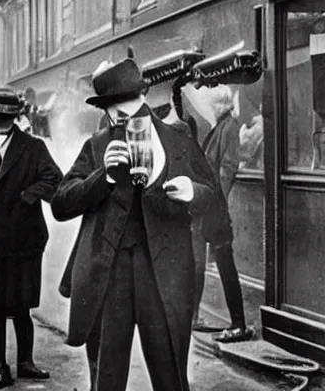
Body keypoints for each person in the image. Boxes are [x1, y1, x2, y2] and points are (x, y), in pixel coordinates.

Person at [51, 58, 217, 391]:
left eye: (134, 113)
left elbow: (213, 197)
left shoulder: (178, 137)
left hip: (164, 274)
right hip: (110, 274)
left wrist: (191, 192)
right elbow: (60, 203)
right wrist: (104, 177)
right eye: (122, 115)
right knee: (108, 377)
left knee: (169, 375)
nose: (126, 122)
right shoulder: (99, 145)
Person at [0, 87, 62, 390]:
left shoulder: (32, 146)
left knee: (22, 307)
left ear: (14, 116)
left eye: (6, 115)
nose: (0, 119)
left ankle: (25, 363)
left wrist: (29, 196)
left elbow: (54, 178)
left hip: (25, 235)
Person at [192, 85, 254, 342]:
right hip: (212, 209)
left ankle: (238, 324)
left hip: (215, 209)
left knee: (225, 266)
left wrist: (215, 202)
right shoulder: (222, 126)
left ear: (218, 105)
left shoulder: (228, 127)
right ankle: (198, 317)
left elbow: (227, 168)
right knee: (207, 262)